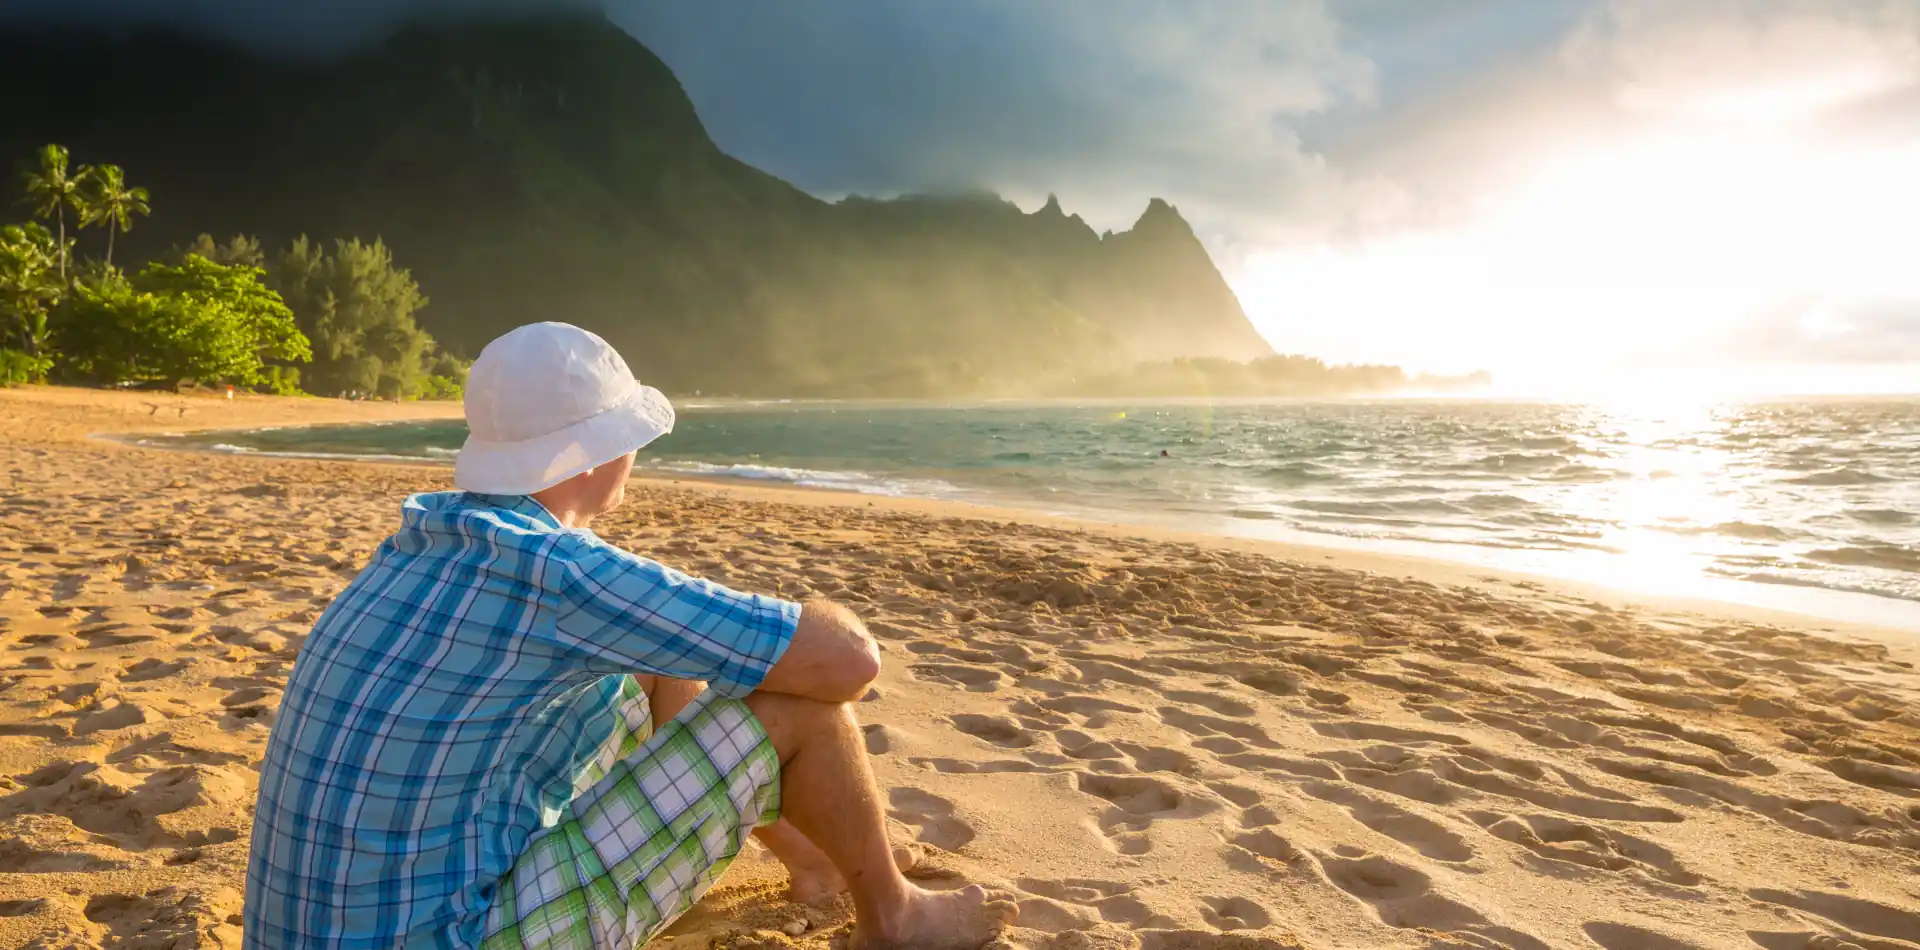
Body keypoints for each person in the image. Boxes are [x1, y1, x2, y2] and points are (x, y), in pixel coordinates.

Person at [244, 322, 1016, 949]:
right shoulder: (557, 570)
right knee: (800, 710)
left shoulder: (424, 538)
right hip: (453, 934)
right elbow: (847, 663)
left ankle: (813, 865)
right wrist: (803, 607)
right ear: (598, 452)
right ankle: (895, 917)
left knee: (647, 664)